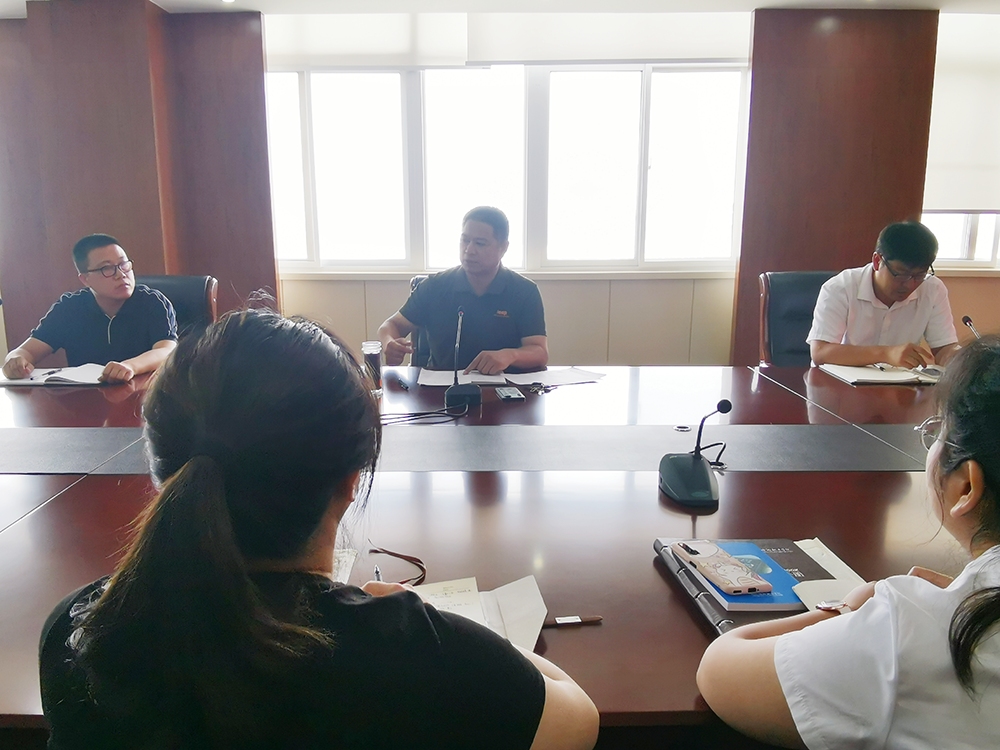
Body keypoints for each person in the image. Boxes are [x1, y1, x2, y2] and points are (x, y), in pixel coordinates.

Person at [38, 309, 598, 750]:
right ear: (352, 481)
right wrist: (427, 620)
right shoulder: (405, 651)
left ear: (164, 474)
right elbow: (576, 718)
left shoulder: (81, 629)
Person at [696, 335, 1000, 749]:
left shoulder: (912, 631)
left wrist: (849, 610)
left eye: (937, 432)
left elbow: (720, 671)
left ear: (966, 486)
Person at [378, 207, 548, 375]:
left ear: (503, 247)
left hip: (504, 386)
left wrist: (510, 355)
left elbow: (539, 352)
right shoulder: (435, 286)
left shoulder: (524, 291)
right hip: (440, 386)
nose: (469, 250)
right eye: (465, 240)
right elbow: (390, 326)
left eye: (480, 243)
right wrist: (389, 343)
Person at [2, 234, 177, 383]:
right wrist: (15, 361)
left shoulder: (152, 302)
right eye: (106, 268)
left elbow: (166, 350)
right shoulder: (70, 308)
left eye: (123, 264)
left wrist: (130, 366)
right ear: (85, 279)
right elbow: (26, 351)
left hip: (142, 395)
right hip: (85, 398)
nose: (121, 274)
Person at [807, 221, 960, 369]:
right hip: (841, 382)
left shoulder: (933, 289)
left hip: (901, 383)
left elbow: (943, 349)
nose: (910, 285)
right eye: (901, 274)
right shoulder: (840, 288)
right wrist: (886, 354)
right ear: (877, 261)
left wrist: (964, 360)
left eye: (919, 275)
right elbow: (821, 352)